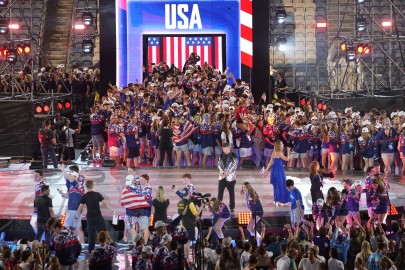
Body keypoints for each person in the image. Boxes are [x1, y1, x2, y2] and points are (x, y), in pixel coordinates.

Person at [75, 180, 115, 252]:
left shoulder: (85, 196)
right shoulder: (97, 194)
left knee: (91, 234)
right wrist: (113, 211)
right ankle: (105, 247)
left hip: (90, 217)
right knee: (102, 232)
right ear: (93, 185)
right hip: (98, 216)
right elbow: (105, 204)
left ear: (86, 186)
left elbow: (79, 208)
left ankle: (91, 250)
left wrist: (76, 217)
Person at [59, 165, 85, 246]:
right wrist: (62, 194)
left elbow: (71, 178)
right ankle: (79, 244)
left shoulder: (77, 184)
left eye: (70, 172)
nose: (68, 174)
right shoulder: (72, 186)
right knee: (75, 228)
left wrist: (63, 170)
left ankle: (74, 244)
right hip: (72, 209)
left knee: (66, 226)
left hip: (74, 210)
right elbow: (70, 195)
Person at [265, 140, 290, 205]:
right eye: (281, 144)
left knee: (277, 185)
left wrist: (266, 169)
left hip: (274, 170)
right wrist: (288, 151)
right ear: (279, 146)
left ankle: (277, 199)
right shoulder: (279, 153)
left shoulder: (274, 152)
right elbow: (287, 159)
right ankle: (279, 200)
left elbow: (270, 162)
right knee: (280, 184)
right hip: (279, 171)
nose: (283, 145)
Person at [217, 142, 238, 213]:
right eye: (223, 149)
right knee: (220, 193)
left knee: (231, 193)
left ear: (229, 148)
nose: (225, 151)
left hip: (230, 178)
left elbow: (234, 166)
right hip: (222, 177)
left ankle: (232, 207)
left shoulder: (234, 156)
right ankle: (218, 206)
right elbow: (219, 164)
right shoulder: (220, 155)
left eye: (226, 149)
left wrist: (226, 173)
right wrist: (223, 172)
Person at [30, 170, 46, 236]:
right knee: (34, 223)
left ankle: (41, 238)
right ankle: (41, 238)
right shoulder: (40, 183)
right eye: (34, 176)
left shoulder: (41, 185)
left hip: (40, 208)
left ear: (41, 176)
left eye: (36, 176)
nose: (34, 177)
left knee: (34, 223)